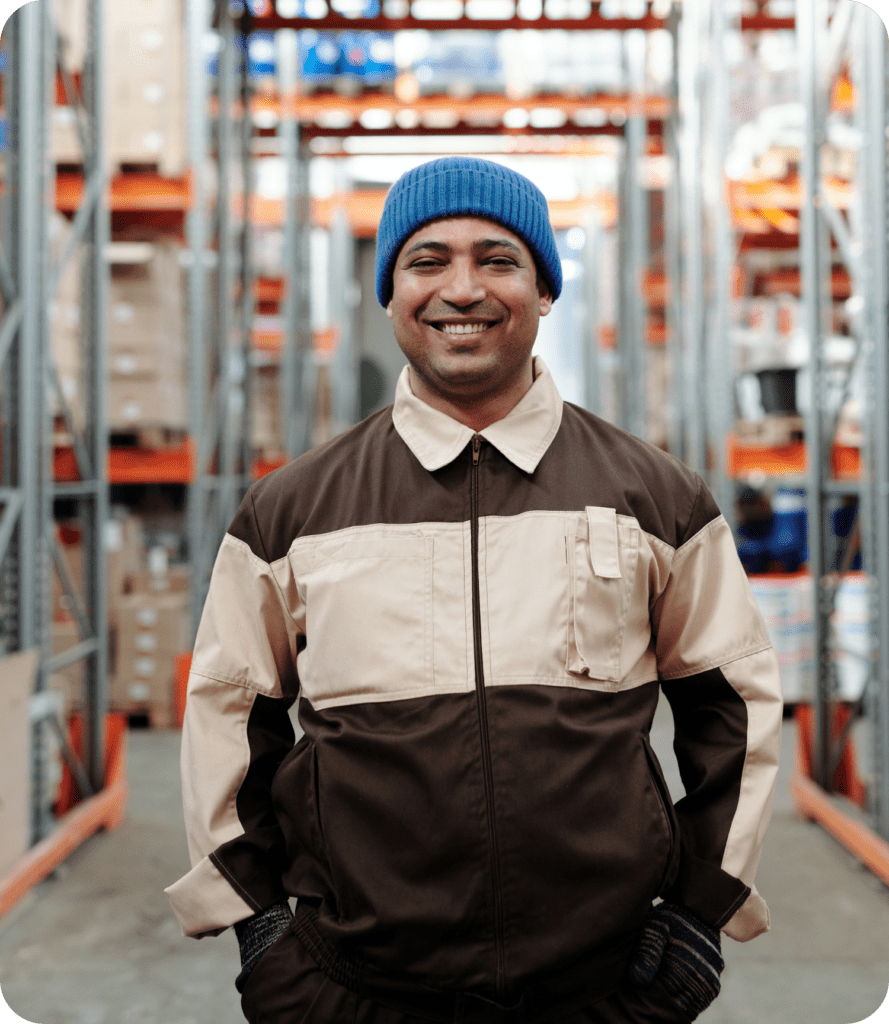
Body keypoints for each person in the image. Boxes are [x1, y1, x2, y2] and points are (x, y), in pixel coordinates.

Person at [165, 156, 783, 1024]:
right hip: (353, 990)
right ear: (389, 293)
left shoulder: (656, 496)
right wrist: (260, 932)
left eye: (497, 260)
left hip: (605, 991)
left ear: (542, 290)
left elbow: (734, 706)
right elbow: (230, 715)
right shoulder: (292, 509)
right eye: (427, 261)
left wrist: (699, 916)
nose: (462, 288)